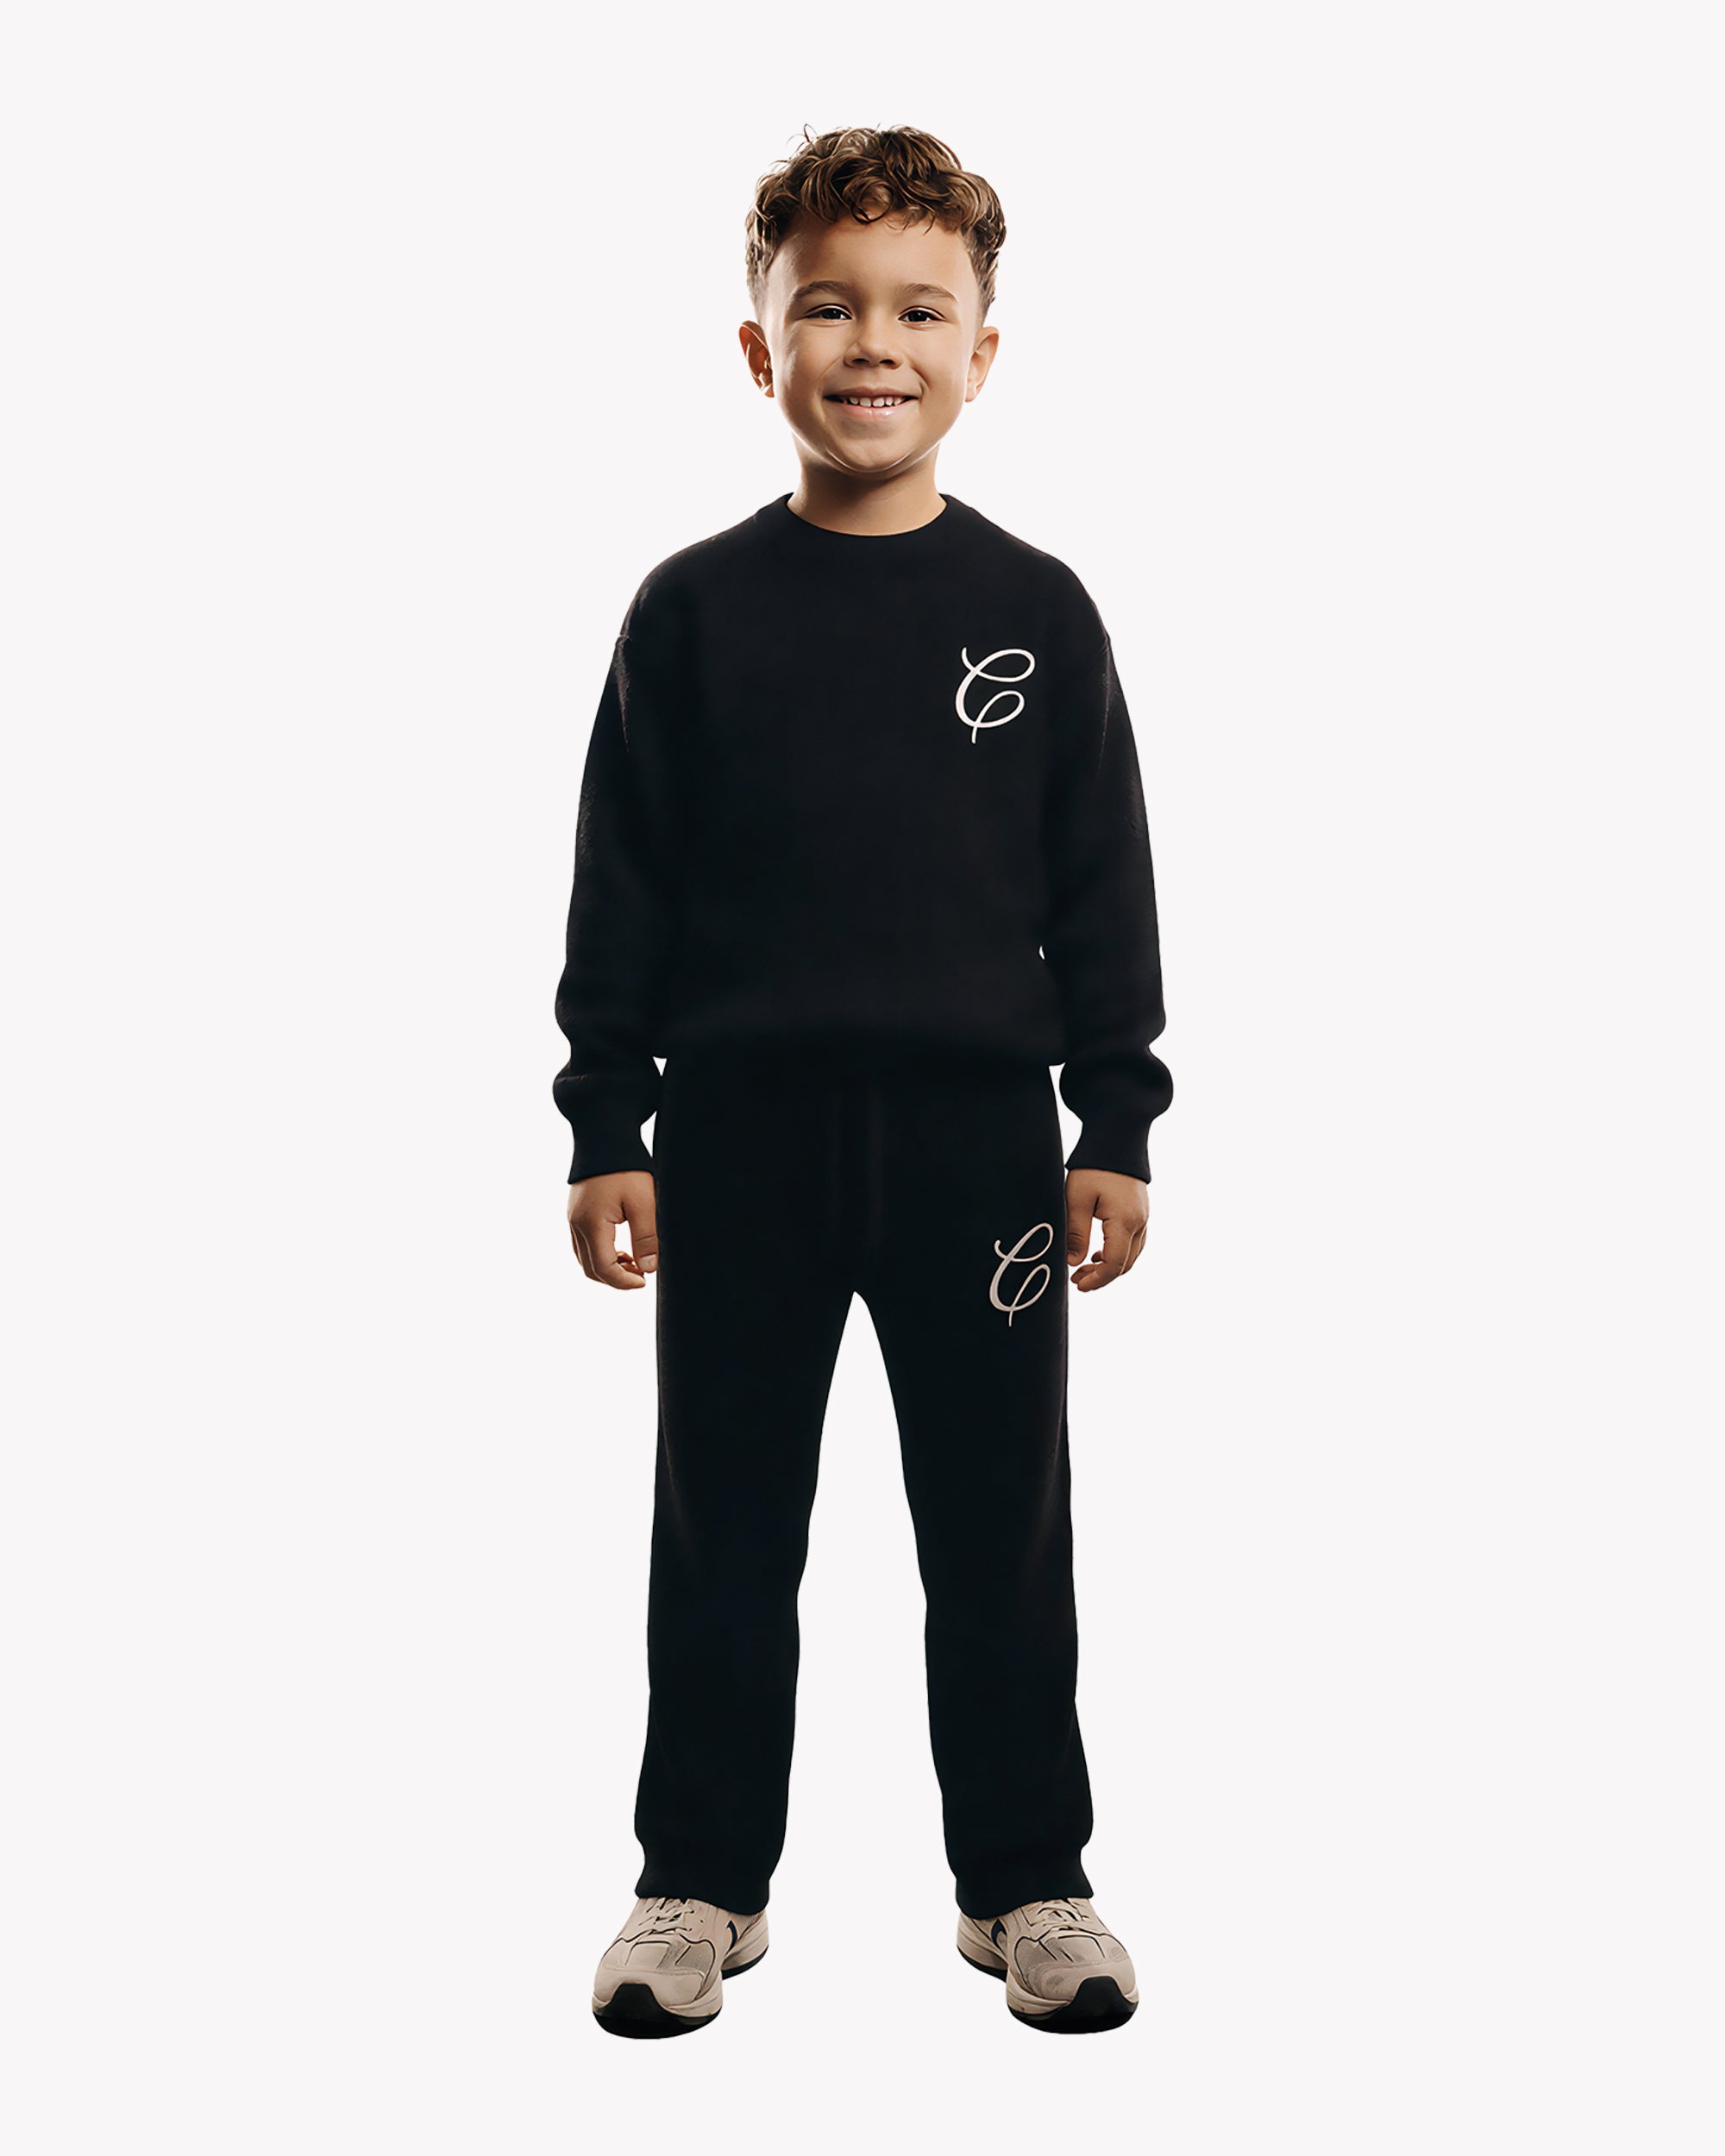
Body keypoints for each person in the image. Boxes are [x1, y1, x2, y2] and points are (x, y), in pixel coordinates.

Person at [555, 123, 1173, 2039]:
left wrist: (1115, 1121)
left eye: (919, 310)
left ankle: (1027, 1880)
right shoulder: (690, 613)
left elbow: (1102, 881)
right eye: (828, 306)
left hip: (980, 1149)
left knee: (999, 1523)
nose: (873, 344)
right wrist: (605, 1121)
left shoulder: (1040, 612)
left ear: (982, 350)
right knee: (724, 1523)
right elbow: (621, 881)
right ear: (761, 348)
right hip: (737, 1144)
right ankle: (698, 1880)